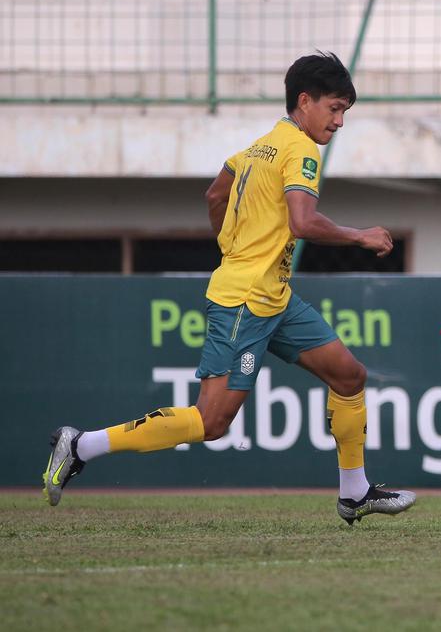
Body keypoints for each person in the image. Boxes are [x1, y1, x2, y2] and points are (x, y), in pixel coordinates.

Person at [42, 52, 416, 525]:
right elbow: (302, 222)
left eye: (345, 112)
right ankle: (81, 445)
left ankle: (354, 491)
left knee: (349, 376)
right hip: (246, 300)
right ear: (305, 101)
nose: (339, 121)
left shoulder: (257, 147)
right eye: (335, 108)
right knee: (212, 423)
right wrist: (359, 235)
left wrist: (233, 244)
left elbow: (215, 194)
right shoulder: (301, 149)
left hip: (272, 294)